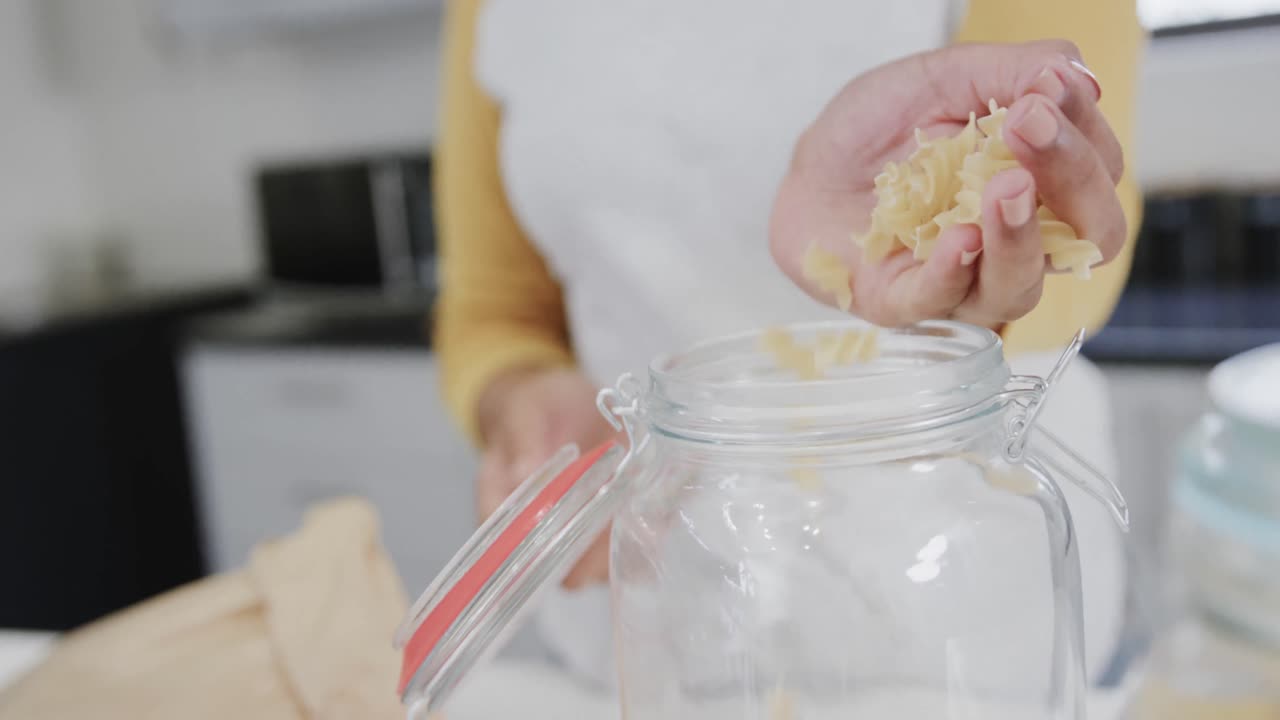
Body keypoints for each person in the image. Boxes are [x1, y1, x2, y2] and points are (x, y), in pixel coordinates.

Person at [434, 0, 1144, 691]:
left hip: (973, 565)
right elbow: (494, 307)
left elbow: (1081, 233)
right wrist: (523, 395)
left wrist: (977, 276)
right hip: (657, 586)